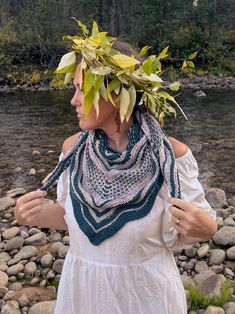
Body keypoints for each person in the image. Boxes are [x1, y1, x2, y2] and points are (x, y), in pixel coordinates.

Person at [14, 21, 217, 314]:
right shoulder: (73, 151)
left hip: (145, 298)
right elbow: (74, 216)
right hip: (83, 296)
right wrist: (32, 216)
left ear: (117, 92)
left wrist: (207, 228)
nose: (73, 101)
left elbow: (192, 226)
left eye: (82, 89)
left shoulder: (169, 156)